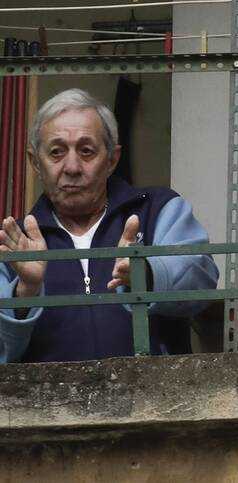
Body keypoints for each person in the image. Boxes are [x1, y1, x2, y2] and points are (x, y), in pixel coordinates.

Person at [0, 88, 218, 362]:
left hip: (152, 388)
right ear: (35, 162)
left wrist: (147, 273)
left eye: (86, 151)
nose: (72, 167)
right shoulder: (15, 245)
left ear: (112, 159)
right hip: (52, 391)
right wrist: (26, 291)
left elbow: (202, 279)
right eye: (56, 152)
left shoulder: (157, 209)